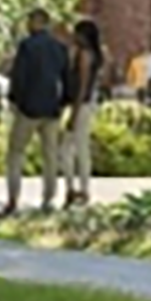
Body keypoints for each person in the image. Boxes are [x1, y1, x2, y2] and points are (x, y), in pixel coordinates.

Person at [2, 8, 71, 215]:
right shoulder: (60, 48)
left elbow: (19, 76)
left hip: (28, 108)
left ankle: (13, 199)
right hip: (51, 108)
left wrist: (15, 100)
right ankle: (48, 199)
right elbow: (67, 78)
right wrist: (63, 102)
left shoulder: (27, 46)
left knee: (16, 153)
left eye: (30, 21)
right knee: (50, 156)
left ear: (36, 22)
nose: (27, 25)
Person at [62, 18, 104, 206]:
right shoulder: (91, 54)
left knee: (72, 148)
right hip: (85, 103)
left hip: (82, 104)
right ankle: (78, 188)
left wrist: (74, 112)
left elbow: (83, 85)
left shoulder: (85, 55)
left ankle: (77, 189)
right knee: (77, 148)